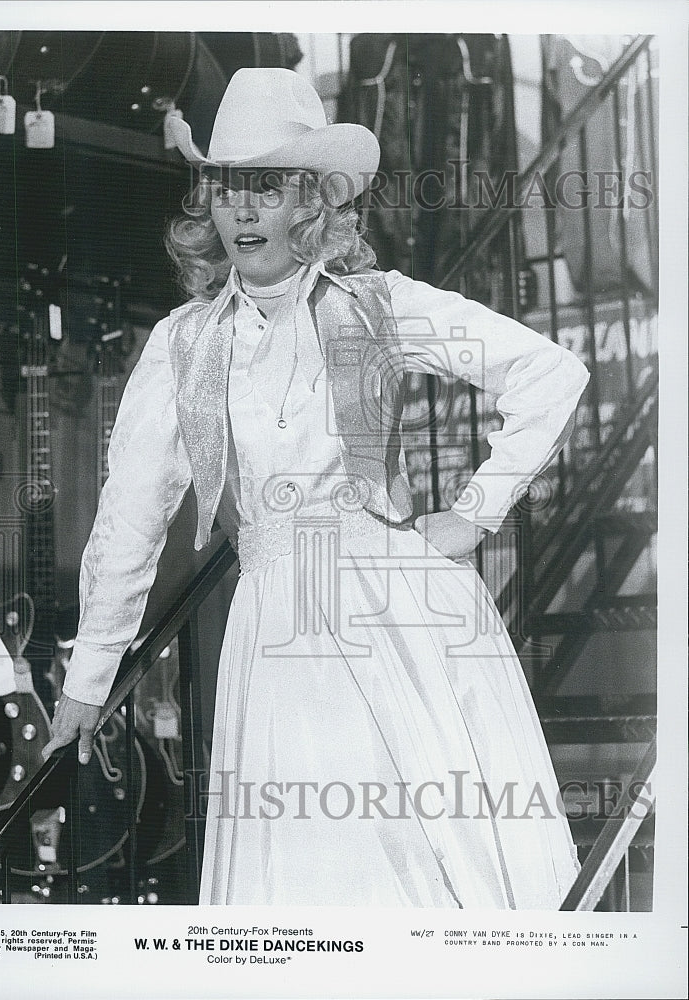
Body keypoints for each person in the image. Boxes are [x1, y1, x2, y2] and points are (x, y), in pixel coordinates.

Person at [44, 68, 589, 907]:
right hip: (274, 634)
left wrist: (475, 514)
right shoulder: (181, 342)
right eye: (228, 190)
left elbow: (550, 372)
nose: (245, 212)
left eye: (269, 189)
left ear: (313, 203)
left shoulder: (380, 305)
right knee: (308, 877)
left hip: (397, 615)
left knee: (428, 877)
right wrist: (89, 677)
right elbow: (130, 516)